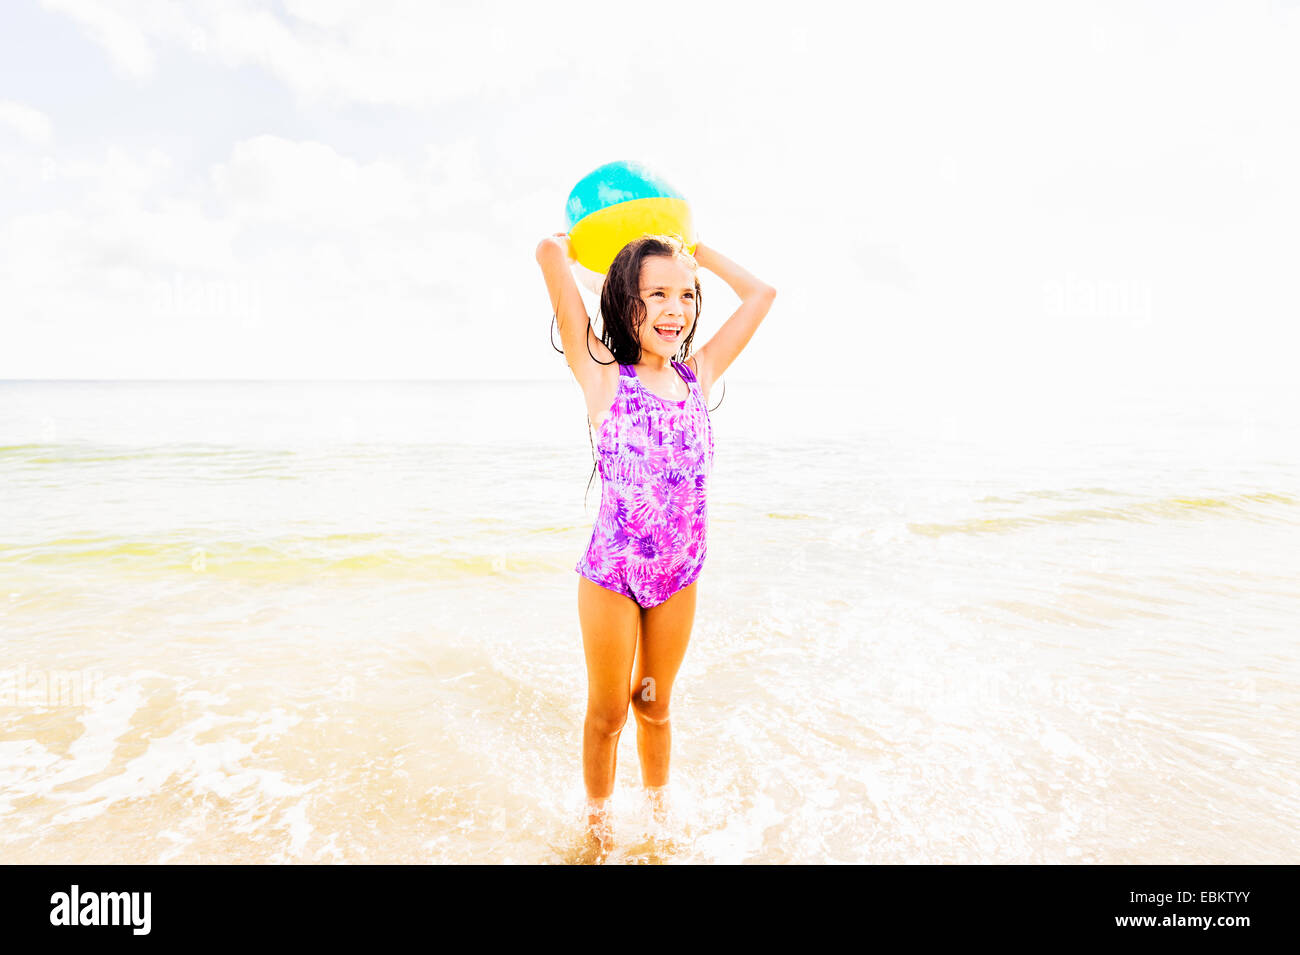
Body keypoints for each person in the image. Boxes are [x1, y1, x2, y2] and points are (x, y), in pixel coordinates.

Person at [535, 231, 776, 857]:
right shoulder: (603, 377)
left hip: (679, 574)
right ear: (624, 303)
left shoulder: (700, 375)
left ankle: (660, 827)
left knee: (655, 705)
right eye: (657, 296)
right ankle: (596, 832)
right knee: (609, 713)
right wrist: (558, 250)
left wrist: (701, 251)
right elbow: (555, 278)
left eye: (687, 295)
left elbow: (761, 293)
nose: (677, 309)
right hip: (612, 575)